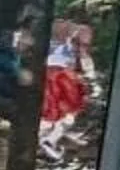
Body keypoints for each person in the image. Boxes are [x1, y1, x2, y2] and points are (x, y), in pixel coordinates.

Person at [40, 8, 94, 162]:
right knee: (71, 112)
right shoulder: (83, 30)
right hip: (64, 75)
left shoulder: (51, 25)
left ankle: (44, 142)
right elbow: (83, 53)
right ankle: (49, 140)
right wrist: (90, 75)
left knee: (49, 111)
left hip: (44, 72)